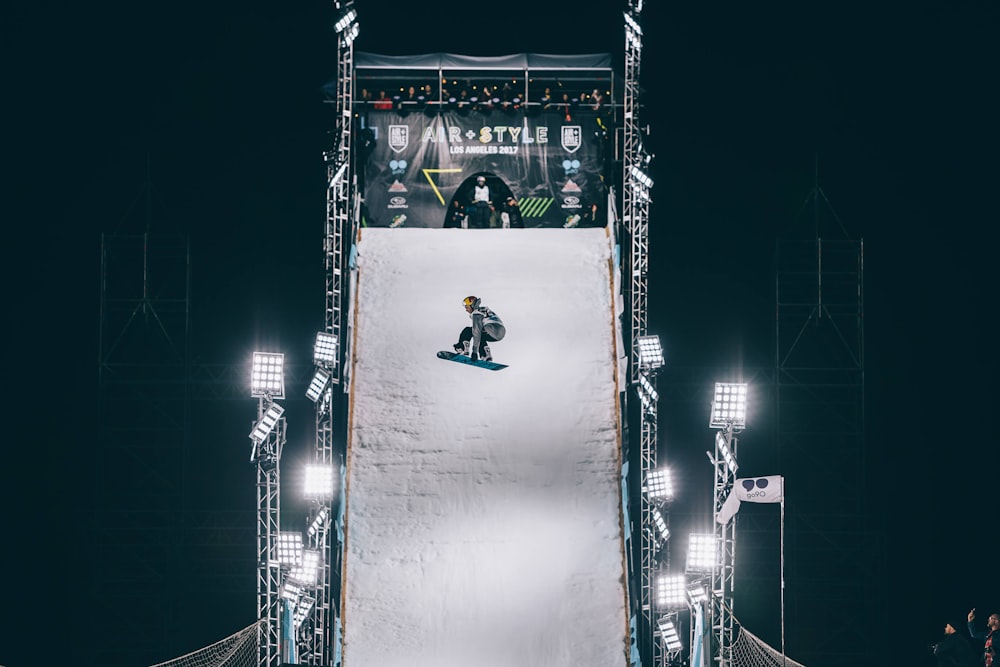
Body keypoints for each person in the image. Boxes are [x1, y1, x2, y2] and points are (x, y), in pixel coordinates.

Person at [453, 296, 505, 362]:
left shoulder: (477, 313)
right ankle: (486, 355)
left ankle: (462, 348)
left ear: (472, 305)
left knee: (468, 330)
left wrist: (474, 352)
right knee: (481, 337)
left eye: (467, 307)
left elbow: (476, 332)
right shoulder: (484, 309)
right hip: (500, 333)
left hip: (491, 329)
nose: (466, 310)